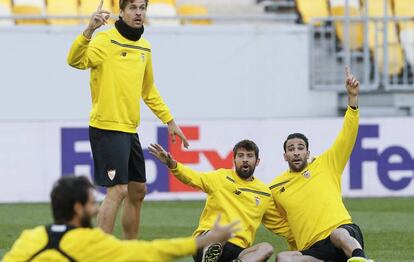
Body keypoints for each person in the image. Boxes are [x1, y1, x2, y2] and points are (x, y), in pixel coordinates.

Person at [67, 0, 189, 240]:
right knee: (118, 190)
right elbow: (74, 61)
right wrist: (89, 30)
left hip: (129, 129)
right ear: (121, 12)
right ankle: (100, 252)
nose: (138, 12)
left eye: (142, 8)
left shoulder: (144, 47)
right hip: (106, 127)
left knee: (138, 190)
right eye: (133, 7)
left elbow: (148, 90)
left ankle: (129, 249)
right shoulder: (104, 39)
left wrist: (170, 120)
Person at [267, 67, 373, 262]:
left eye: (300, 148)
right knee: (283, 258)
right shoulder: (275, 187)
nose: (296, 152)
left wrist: (353, 100)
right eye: (291, 149)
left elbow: (347, 135)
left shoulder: (326, 164)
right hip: (313, 248)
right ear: (285, 156)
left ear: (308, 152)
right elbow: (276, 222)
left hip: (342, 232)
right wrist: (299, 238)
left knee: (338, 235)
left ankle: (361, 259)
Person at [3, 176, 239, 262]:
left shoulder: (29, 238)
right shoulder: (93, 243)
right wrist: (202, 241)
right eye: (91, 203)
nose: (96, 209)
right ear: (77, 208)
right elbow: (152, 252)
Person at [149, 140, 282, 262]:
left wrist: (302, 243)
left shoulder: (265, 193)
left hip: (238, 250)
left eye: (249, 156)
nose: (245, 160)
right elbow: (193, 178)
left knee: (266, 248)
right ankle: (209, 255)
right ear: (234, 160)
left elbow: (279, 224)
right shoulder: (220, 177)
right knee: (218, 235)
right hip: (209, 239)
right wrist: (172, 164)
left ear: (257, 161)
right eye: (241, 156)